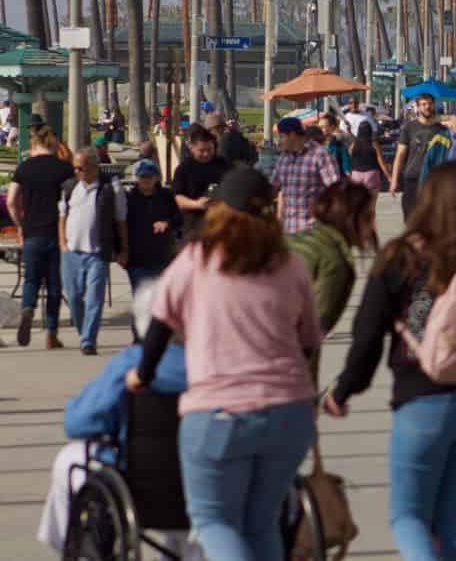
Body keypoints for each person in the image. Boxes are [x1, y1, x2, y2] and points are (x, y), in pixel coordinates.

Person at [324, 164, 456, 561]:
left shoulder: (401, 257)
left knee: (409, 518)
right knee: (454, 518)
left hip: (422, 400)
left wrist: (345, 389)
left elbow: (367, 334)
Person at [126, 167, 320, 561]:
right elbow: (309, 342)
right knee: (262, 522)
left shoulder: (196, 259)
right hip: (290, 413)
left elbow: (160, 324)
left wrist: (142, 375)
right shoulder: (289, 263)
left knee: (214, 520)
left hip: (220, 412)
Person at [38, 280, 194, 558]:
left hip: (138, 483)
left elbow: (78, 423)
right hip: (203, 478)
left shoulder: (131, 362)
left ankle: (76, 545)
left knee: (68, 459)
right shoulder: (211, 363)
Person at [288, 179, 377, 381]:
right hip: (284, 377)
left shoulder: (301, 239)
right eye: (369, 217)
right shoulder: (336, 262)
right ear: (351, 218)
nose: (373, 226)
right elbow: (312, 331)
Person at [7, 124, 73, 349]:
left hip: (32, 233)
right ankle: (50, 334)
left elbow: (11, 201)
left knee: (31, 279)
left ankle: (27, 308)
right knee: (54, 285)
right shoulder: (63, 169)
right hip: (56, 232)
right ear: (52, 143)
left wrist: (20, 225)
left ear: (33, 144)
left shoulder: (24, 168)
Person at [59, 148, 128, 356]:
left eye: (81, 168)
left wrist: (123, 249)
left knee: (94, 299)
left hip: (97, 252)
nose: (78, 172)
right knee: (73, 297)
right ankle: (84, 333)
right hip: (71, 251)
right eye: (75, 168)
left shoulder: (109, 188)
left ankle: (88, 340)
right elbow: (62, 216)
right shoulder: (70, 187)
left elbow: (121, 220)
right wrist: (62, 243)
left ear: (94, 167)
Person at [271, 116, 341, 234]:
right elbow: (274, 187)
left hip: (313, 231)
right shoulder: (284, 157)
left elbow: (336, 190)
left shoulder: (320, 155)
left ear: (292, 135)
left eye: (282, 136)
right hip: (289, 230)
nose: (279, 141)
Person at [123, 159, 182, 296]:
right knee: (142, 301)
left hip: (162, 258)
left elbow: (179, 218)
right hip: (136, 260)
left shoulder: (167, 196)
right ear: (136, 178)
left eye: (150, 176)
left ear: (156, 177)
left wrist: (167, 223)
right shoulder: (129, 199)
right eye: (142, 177)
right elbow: (120, 225)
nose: (146, 180)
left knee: (161, 300)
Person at [171, 123, 232, 237]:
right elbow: (177, 198)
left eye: (209, 149)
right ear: (192, 148)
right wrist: (197, 204)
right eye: (201, 150)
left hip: (220, 223)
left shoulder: (223, 164)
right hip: (193, 225)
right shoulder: (184, 168)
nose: (206, 154)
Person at [390, 93, 445, 217]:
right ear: (418, 107)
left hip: (433, 179)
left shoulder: (441, 130)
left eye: (430, 104)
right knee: (410, 219)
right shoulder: (409, 127)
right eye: (423, 104)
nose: (427, 107)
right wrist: (394, 180)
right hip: (412, 178)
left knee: (432, 220)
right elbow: (400, 155)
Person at [348, 120, 388, 192]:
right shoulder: (374, 144)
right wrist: (389, 176)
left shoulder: (353, 144)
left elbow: (349, 157)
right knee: (371, 202)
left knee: (358, 201)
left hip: (356, 175)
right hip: (372, 174)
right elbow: (381, 162)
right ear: (370, 131)